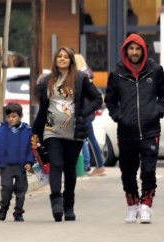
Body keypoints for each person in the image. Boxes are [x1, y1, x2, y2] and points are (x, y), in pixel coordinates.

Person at [105, 33, 164, 224]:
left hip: (150, 131)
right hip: (126, 133)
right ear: (126, 50)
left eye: (137, 48)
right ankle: (132, 205)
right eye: (131, 49)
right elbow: (110, 100)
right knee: (128, 172)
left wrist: (157, 112)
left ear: (143, 50)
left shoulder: (155, 70)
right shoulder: (117, 73)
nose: (134, 52)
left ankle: (146, 206)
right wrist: (119, 116)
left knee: (148, 171)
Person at [31, 46, 102, 222]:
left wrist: (83, 114)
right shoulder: (47, 81)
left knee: (70, 169)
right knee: (56, 165)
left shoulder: (80, 78)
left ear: (71, 60)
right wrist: (36, 133)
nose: (62, 59)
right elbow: (42, 110)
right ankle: (56, 202)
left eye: (66, 57)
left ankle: (68, 205)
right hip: (51, 131)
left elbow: (97, 99)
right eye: (59, 56)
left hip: (74, 133)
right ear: (55, 59)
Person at [0, 102, 34, 222]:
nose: (11, 119)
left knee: (21, 190)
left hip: (21, 166)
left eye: (14, 116)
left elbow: (31, 149)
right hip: (6, 165)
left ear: (20, 116)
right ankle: (4, 207)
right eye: (8, 117)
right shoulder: (0, 131)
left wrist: (29, 162)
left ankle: (18, 212)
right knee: (6, 188)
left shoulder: (27, 131)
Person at [74, 54, 106, 176]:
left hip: (84, 112)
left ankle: (98, 165)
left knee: (89, 139)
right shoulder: (87, 75)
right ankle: (90, 164)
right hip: (88, 112)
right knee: (86, 139)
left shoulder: (82, 77)